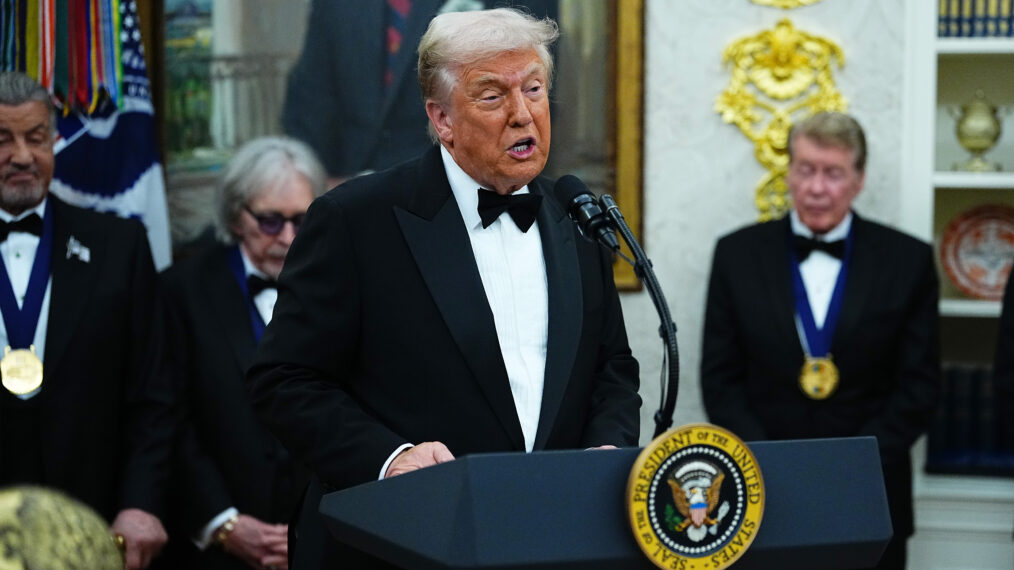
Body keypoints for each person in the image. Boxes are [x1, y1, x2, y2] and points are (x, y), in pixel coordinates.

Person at [250, 8, 640, 568]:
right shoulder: (356, 220)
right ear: (442, 119)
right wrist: (390, 458)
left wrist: (606, 448)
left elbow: (613, 369)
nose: (522, 113)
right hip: (397, 543)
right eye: (491, 96)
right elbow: (283, 379)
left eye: (533, 89)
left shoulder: (577, 218)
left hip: (550, 540)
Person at [700, 111, 940, 570]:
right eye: (806, 169)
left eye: (833, 173)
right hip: (762, 494)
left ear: (859, 179)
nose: (816, 187)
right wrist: (772, 465)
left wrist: (850, 465)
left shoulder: (908, 261)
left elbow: (919, 389)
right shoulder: (736, 255)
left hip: (872, 494)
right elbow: (720, 381)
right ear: (788, 172)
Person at [0, 71, 173, 569]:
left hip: (93, 521)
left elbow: (154, 394)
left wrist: (141, 503)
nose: (22, 156)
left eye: (35, 137)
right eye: (3, 139)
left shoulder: (120, 247)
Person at [160, 137, 325, 569]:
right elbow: (166, 419)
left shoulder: (337, 284)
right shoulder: (181, 291)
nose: (288, 237)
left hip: (317, 542)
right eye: (271, 222)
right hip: (213, 550)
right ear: (236, 216)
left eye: (302, 221)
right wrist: (223, 523)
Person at [282, 0, 557, 183]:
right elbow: (311, 98)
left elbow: (528, 100)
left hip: (456, 192)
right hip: (349, 190)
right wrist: (317, 183)